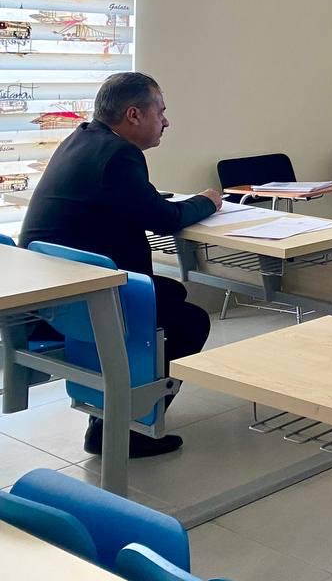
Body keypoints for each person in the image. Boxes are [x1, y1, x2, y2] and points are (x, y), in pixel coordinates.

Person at [19, 72, 221, 457]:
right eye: (160, 112)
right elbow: (165, 219)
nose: (166, 121)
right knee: (190, 321)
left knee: (173, 294)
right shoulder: (119, 155)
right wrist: (208, 201)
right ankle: (124, 427)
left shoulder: (83, 139)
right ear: (133, 114)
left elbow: (136, 203)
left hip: (51, 289)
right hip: (78, 299)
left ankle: (112, 413)